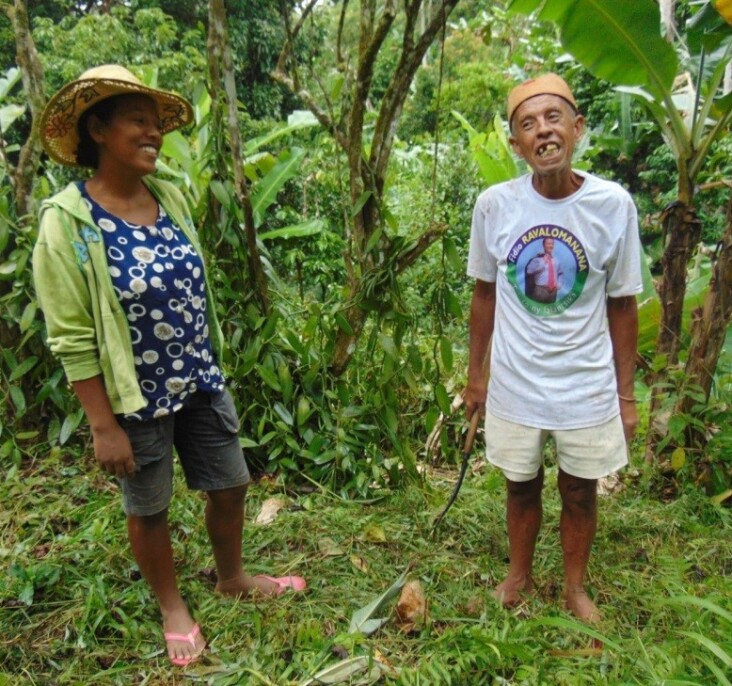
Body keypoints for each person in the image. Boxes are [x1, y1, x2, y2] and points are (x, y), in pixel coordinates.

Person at [33, 65, 306, 667]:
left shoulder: (169, 195)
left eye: (157, 124)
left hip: (198, 376)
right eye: (138, 121)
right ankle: (171, 606)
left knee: (231, 482)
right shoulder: (69, 222)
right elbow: (72, 334)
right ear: (98, 130)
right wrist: (103, 425)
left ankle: (230, 576)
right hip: (135, 396)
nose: (153, 132)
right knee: (149, 504)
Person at [465, 73, 641, 623]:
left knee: (580, 489)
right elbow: (484, 295)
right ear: (515, 144)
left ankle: (573, 588)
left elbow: (622, 305)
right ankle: (517, 577)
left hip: (584, 383)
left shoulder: (613, 205)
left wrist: (627, 396)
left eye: (552, 117)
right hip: (517, 381)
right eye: (527, 124)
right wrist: (476, 377)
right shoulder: (495, 206)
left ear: (578, 127)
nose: (542, 131)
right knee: (520, 485)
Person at [525, 237, 563, 303]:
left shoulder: (556, 260)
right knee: (536, 312)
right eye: (548, 244)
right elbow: (529, 271)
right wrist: (543, 262)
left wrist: (559, 283)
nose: (551, 246)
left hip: (553, 292)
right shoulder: (537, 259)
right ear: (544, 245)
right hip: (540, 291)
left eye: (552, 244)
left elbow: (560, 273)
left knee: (550, 312)